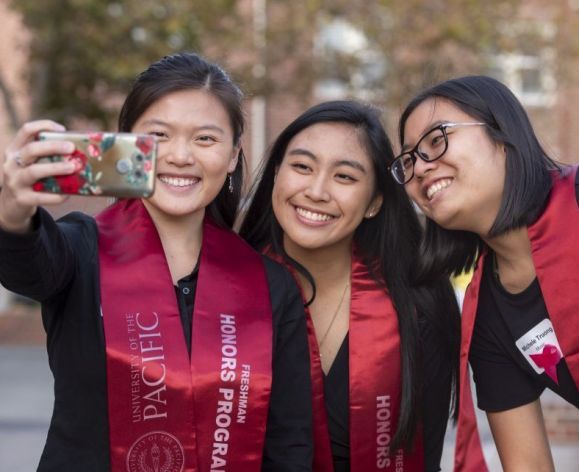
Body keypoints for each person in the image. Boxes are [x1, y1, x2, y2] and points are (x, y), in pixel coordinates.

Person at [0, 52, 313, 472]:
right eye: (159, 136)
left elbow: (288, 446)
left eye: (205, 139)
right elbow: (26, 266)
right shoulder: (80, 250)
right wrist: (11, 212)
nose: (181, 156)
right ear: (127, 142)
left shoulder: (268, 286)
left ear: (234, 155)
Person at [240, 100, 461, 472]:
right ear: (277, 173)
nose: (316, 191)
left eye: (344, 176)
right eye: (301, 167)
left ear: (374, 201)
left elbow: (426, 457)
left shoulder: (418, 301)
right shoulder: (222, 293)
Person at [393, 75, 579, 472]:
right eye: (408, 161)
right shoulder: (488, 320)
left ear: (502, 133)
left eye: (437, 140)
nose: (421, 168)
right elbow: (527, 465)